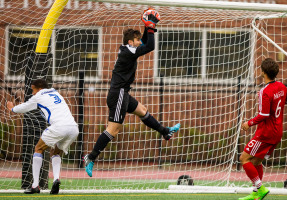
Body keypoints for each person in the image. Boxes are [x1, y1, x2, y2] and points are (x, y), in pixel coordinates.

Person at [84, 8, 180, 177]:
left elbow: (143, 41)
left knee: (142, 111)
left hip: (122, 93)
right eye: (136, 40)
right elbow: (149, 45)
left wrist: (147, 26)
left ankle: (165, 132)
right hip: (119, 94)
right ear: (130, 41)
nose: (138, 42)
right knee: (113, 130)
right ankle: (91, 157)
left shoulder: (127, 49)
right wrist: (149, 27)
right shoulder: (129, 51)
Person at [7, 79, 79, 194]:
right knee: (56, 152)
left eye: (33, 90)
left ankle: (35, 185)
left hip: (59, 127)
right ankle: (56, 179)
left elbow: (24, 107)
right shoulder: (56, 93)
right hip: (73, 128)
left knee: (38, 149)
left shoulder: (39, 96)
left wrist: (12, 108)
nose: (32, 93)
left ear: (38, 88)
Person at [240, 58, 287, 200]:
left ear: (263, 72)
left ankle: (260, 188)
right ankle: (256, 194)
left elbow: (264, 114)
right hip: (277, 132)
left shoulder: (265, 91)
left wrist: (249, 123)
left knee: (244, 159)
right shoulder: (281, 86)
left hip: (265, 133)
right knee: (257, 162)